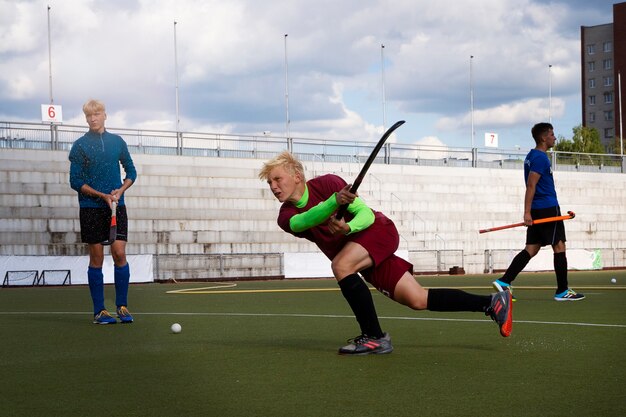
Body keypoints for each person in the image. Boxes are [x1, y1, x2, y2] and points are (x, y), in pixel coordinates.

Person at [259, 151, 512, 355]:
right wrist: (334, 203)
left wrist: (347, 226)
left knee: (341, 266)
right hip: (359, 255)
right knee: (417, 299)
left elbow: (366, 215)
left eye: (277, 179)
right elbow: (302, 222)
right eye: (270, 182)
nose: (273, 186)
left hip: (378, 232)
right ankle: (490, 303)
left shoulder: (328, 183)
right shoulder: (286, 215)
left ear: (297, 175)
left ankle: (374, 337)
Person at [493, 122, 585, 301]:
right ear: (543, 138)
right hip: (547, 208)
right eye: (552, 134)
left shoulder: (532, 156)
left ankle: (505, 281)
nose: (554, 137)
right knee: (559, 246)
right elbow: (531, 185)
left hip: (540, 208)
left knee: (532, 248)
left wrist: (530, 211)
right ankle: (562, 291)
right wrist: (526, 212)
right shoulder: (540, 158)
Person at [69, 99, 138, 324]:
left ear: (104, 115)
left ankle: (122, 307)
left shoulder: (117, 142)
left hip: (117, 206)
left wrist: (120, 191)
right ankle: (99, 311)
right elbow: (75, 181)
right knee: (96, 258)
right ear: (86, 118)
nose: (93, 118)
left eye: (96, 114)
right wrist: (102, 196)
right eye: (89, 115)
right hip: (91, 208)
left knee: (119, 254)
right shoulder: (79, 146)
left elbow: (132, 172)